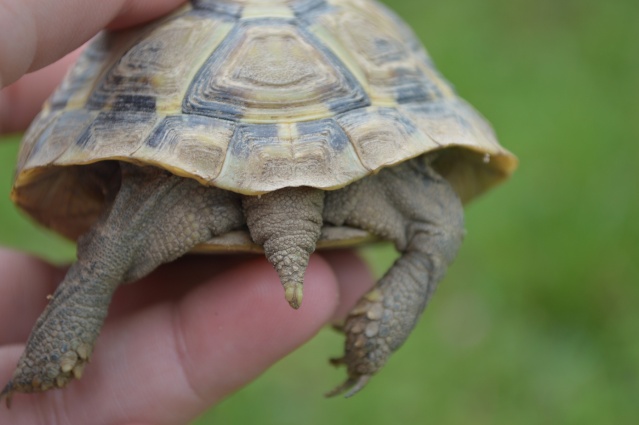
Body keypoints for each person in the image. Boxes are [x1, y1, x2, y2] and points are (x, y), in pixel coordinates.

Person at [0, 1, 373, 423]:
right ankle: (377, 331)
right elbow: (439, 227)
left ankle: (53, 355)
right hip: (356, 161)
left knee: (110, 250)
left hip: (183, 176)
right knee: (433, 231)